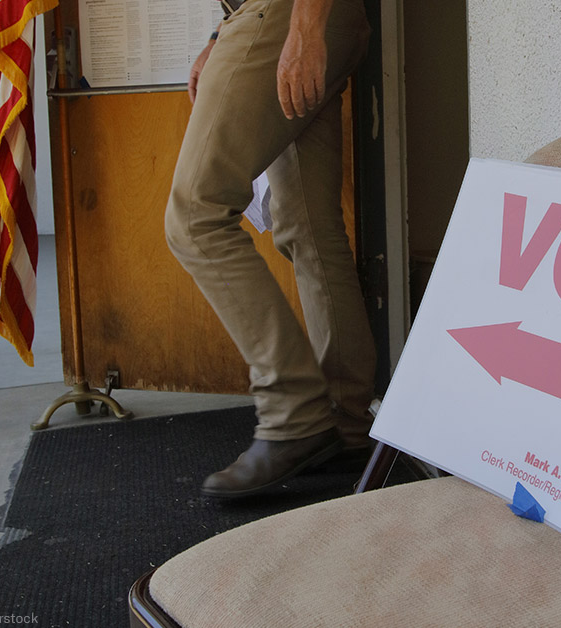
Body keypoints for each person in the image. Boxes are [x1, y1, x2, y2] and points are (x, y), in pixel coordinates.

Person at [164, 0, 376, 497]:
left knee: (195, 215)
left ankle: (293, 412)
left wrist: (304, 28)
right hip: (307, 17)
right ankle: (344, 422)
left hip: (287, 15)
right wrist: (221, 34)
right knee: (310, 230)